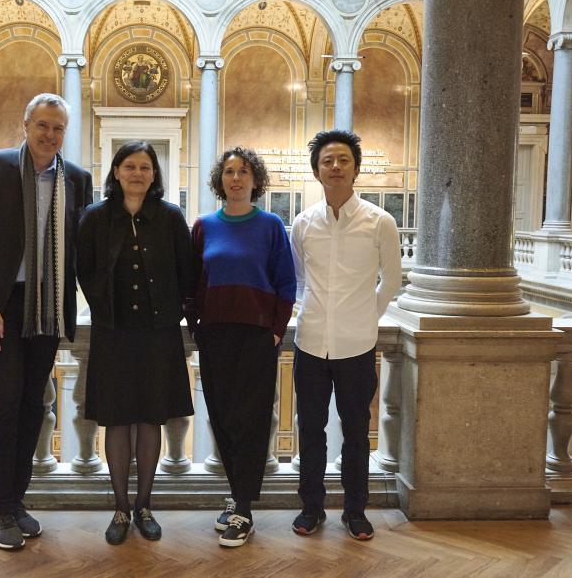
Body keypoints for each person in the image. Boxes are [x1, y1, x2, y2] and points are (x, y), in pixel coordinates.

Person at [0, 93, 92, 550]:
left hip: (49, 305)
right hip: (4, 306)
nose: (50, 135)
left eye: (58, 128)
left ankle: (17, 503)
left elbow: (83, 251)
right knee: (4, 403)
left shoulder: (77, 179)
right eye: (43, 125)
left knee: (33, 405)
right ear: (25, 124)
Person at [77, 141, 194, 545]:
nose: (138, 173)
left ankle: (145, 505)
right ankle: (120, 508)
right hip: (113, 333)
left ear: (154, 175)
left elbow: (187, 271)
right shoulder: (95, 217)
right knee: (116, 419)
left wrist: (173, 311)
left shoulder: (170, 217)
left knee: (150, 418)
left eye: (146, 167)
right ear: (116, 171)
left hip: (158, 334)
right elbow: (84, 268)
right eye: (130, 166)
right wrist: (102, 303)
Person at [290, 129, 402, 541]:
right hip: (310, 343)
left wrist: (363, 319)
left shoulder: (380, 222)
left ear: (356, 169)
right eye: (327, 161)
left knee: (356, 431)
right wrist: (310, 313)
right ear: (317, 170)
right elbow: (300, 281)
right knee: (312, 429)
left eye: (343, 160)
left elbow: (391, 281)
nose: (335, 167)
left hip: (357, 346)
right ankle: (311, 507)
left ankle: (356, 511)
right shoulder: (302, 224)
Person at [185, 147, 296, 548]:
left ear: (255, 180)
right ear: (220, 180)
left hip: (256, 337)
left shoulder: (270, 225)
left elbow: (286, 283)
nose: (236, 178)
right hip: (215, 336)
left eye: (243, 171)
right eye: (229, 171)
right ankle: (237, 494)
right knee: (223, 416)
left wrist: (275, 330)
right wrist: (196, 324)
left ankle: (244, 510)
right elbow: (193, 282)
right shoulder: (204, 226)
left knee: (250, 421)